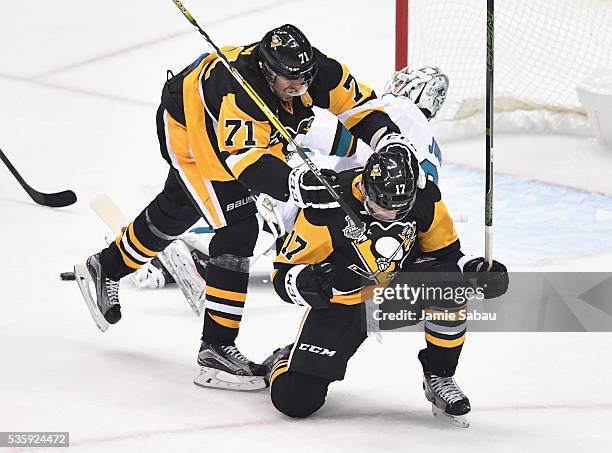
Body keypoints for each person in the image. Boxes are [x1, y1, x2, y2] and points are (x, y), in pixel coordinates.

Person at [74, 24, 417, 390]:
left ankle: (105, 266)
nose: (299, 85)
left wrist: (391, 140)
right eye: (289, 79)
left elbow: (359, 105)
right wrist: (295, 185)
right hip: (192, 126)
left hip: (230, 128)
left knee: (181, 206)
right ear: (269, 70)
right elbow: (244, 163)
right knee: (238, 226)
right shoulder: (240, 92)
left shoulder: (312, 69)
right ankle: (216, 350)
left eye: (305, 77)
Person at [262, 146, 509, 426]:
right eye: (382, 206)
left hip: (396, 293)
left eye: (399, 209)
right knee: (295, 400)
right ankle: (285, 358)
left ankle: (440, 374)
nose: (390, 216)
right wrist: (315, 282)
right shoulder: (327, 204)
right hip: (344, 307)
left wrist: (476, 270)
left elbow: (446, 256)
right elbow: (282, 276)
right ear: (365, 188)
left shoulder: (425, 198)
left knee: (451, 286)